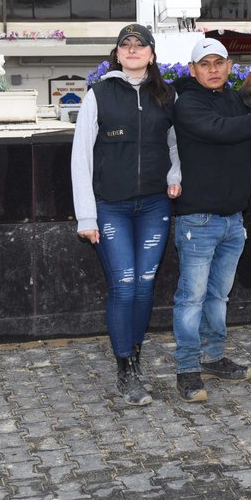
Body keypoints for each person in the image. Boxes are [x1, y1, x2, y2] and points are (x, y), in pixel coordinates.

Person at [171, 38, 251, 403]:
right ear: (193, 69)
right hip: (197, 220)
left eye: (219, 63)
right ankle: (186, 369)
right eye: (205, 64)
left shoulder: (235, 98)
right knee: (191, 298)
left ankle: (213, 358)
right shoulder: (188, 102)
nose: (213, 69)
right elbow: (220, 129)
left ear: (230, 67)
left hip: (232, 219)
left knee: (217, 297)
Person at [71, 23, 180, 407]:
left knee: (146, 283)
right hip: (110, 207)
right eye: (126, 45)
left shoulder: (167, 96)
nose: (133, 49)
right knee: (125, 283)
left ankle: (134, 355)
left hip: (153, 206)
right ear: (116, 54)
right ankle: (125, 371)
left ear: (151, 54)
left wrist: (174, 176)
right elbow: (80, 158)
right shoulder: (98, 94)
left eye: (141, 44)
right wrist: (86, 216)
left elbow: (174, 143)